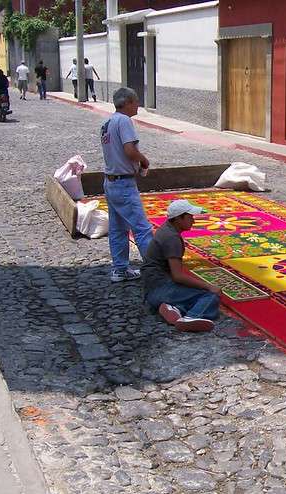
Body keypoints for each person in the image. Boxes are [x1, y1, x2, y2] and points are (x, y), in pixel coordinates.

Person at [143, 200, 221, 333]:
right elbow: (178, 276)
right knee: (210, 296)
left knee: (193, 292)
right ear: (179, 218)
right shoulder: (172, 238)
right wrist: (208, 286)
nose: (193, 221)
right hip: (162, 289)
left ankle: (174, 308)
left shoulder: (165, 229)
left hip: (151, 288)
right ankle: (191, 317)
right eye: (190, 217)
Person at [100, 87, 153, 283]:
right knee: (142, 228)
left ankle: (119, 268)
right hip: (123, 182)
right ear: (128, 102)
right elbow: (129, 150)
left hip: (110, 180)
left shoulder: (107, 122)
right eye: (136, 101)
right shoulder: (124, 121)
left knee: (117, 228)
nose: (138, 105)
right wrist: (144, 160)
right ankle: (155, 268)